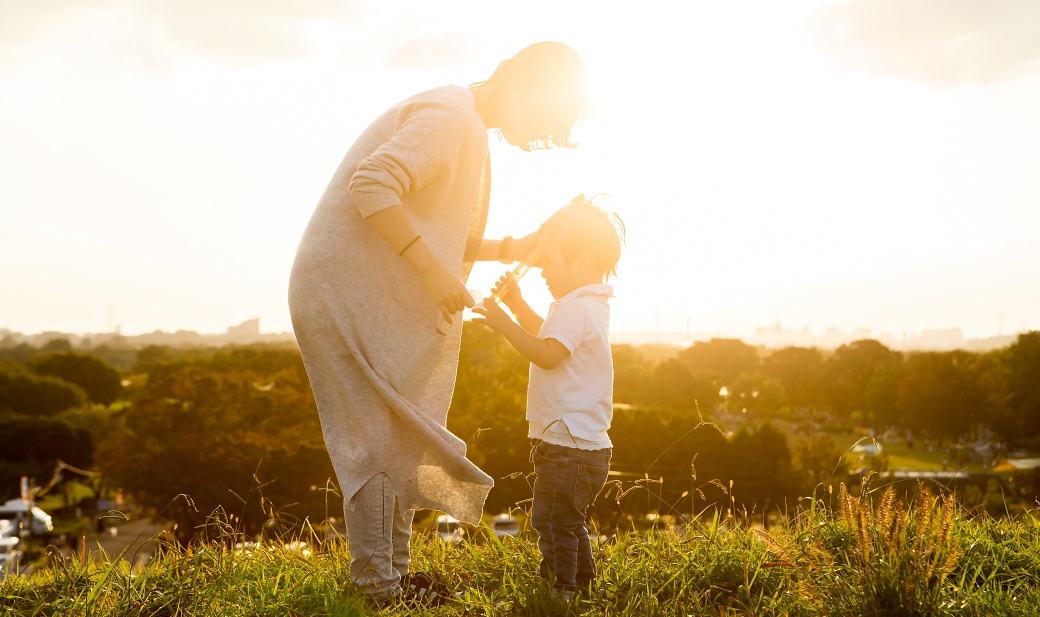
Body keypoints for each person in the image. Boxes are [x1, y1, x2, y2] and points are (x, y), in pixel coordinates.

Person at [287, 42, 589, 606]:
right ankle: (378, 590)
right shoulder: (453, 116)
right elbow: (372, 184)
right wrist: (432, 275)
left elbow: (431, 226)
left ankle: (393, 579)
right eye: (546, 118)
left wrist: (508, 247)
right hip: (345, 289)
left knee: (398, 434)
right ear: (521, 82)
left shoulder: (469, 127)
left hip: (362, 289)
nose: (541, 134)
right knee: (375, 439)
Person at [472, 195, 625, 599]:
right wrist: (519, 304)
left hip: (566, 446)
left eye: (550, 262)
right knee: (568, 521)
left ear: (581, 260)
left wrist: (505, 324)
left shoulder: (575, 308)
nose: (542, 272)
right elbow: (551, 335)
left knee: (553, 521)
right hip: (584, 447)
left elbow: (548, 354)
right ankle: (582, 583)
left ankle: (562, 591)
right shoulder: (586, 304)